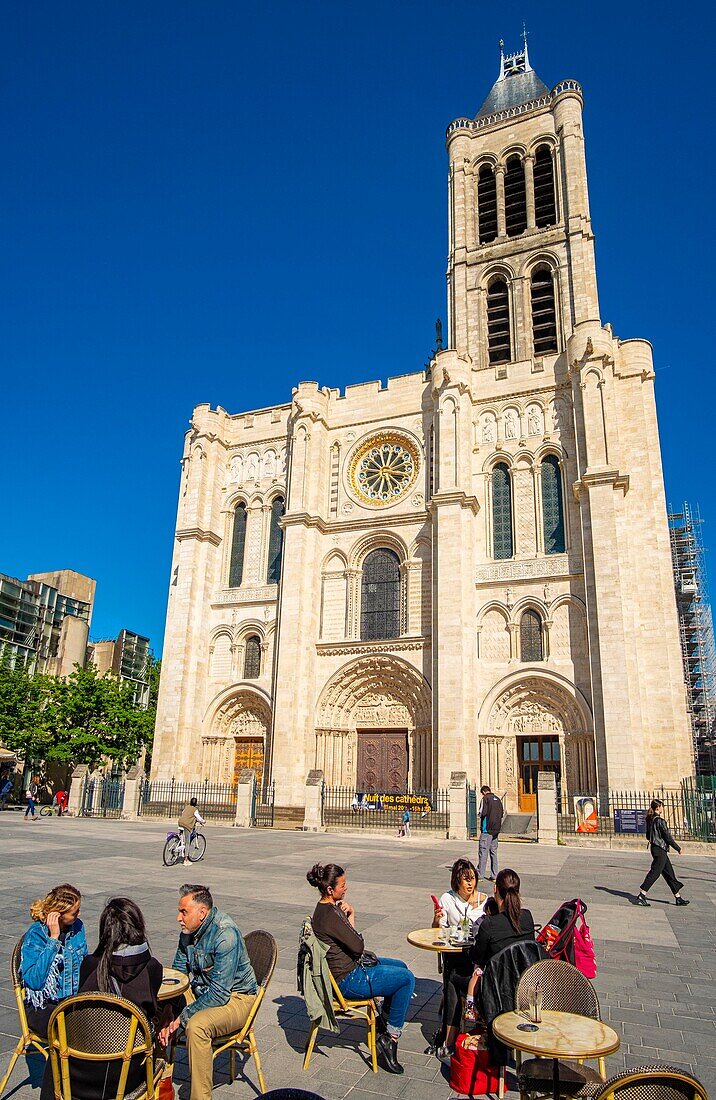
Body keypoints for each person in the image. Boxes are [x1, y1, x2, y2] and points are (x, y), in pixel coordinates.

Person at [39, 897, 163, 1100]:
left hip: (79, 1076)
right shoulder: (152, 969)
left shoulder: (90, 965)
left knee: (56, 1047)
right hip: (125, 1077)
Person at [308, 862, 415, 1075]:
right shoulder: (331, 915)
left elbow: (352, 945)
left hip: (347, 969)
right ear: (330, 890)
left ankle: (384, 1020)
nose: (346, 888)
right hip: (349, 979)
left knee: (400, 966)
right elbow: (357, 946)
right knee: (406, 979)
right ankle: (390, 1038)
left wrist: (346, 918)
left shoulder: (325, 909)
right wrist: (352, 916)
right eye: (342, 885)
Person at [158, 884, 258, 1100]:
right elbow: (177, 975)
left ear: (202, 913)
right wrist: (168, 1011)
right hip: (202, 991)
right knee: (155, 1008)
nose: (179, 918)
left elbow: (220, 994)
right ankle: (159, 1085)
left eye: (184, 912)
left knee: (197, 1026)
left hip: (236, 997)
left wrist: (181, 1018)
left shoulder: (225, 934)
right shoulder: (188, 932)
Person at [431, 858, 485, 1057]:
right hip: (455, 953)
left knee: (452, 978)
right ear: (457, 881)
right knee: (452, 971)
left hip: (476, 958)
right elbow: (437, 932)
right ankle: (448, 1037)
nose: (470, 883)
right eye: (466, 879)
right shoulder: (448, 899)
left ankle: (449, 1039)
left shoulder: (484, 901)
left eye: (473, 878)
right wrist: (436, 919)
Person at [20, 884, 87, 1038]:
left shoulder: (77, 927)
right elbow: (34, 981)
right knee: (80, 1034)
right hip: (45, 1007)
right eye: (75, 912)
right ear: (58, 914)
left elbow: (85, 964)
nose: (79, 914)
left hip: (72, 1002)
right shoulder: (36, 935)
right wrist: (53, 939)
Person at [470, 868, 535, 971]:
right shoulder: (527, 916)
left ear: (495, 889)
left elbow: (477, 958)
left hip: (496, 982)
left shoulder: (489, 924)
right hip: (524, 979)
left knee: (456, 976)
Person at [636, 799, 689, 907]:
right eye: (662, 806)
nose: (663, 808)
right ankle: (642, 894)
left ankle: (678, 897)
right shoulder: (660, 821)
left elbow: (648, 835)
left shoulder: (650, 820)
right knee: (655, 873)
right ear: (658, 808)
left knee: (669, 873)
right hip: (660, 850)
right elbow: (668, 838)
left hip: (656, 849)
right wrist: (678, 848)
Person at [463, 896, 499, 1022]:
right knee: (476, 976)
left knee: (476, 977)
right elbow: (477, 938)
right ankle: (470, 1005)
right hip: (482, 962)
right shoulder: (481, 922)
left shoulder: (492, 923)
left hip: (490, 963)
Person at [477, 785, 503, 882]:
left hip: (487, 829)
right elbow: (501, 813)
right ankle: (494, 875)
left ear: (483, 792)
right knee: (493, 852)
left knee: (483, 852)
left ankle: (480, 874)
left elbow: (482, 812)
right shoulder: (498, 799)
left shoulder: (485, 799)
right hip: (496, 830)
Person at [178, 797, 205, 864]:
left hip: (180, 822)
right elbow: (199, 818)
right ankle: (186, 860)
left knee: (181, 837)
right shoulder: (195, 810)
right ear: (196, 803)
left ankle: (179, 844)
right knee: (187, 842)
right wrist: (203, 821)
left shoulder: (186, 807)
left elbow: (183, 813)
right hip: (187, 825)